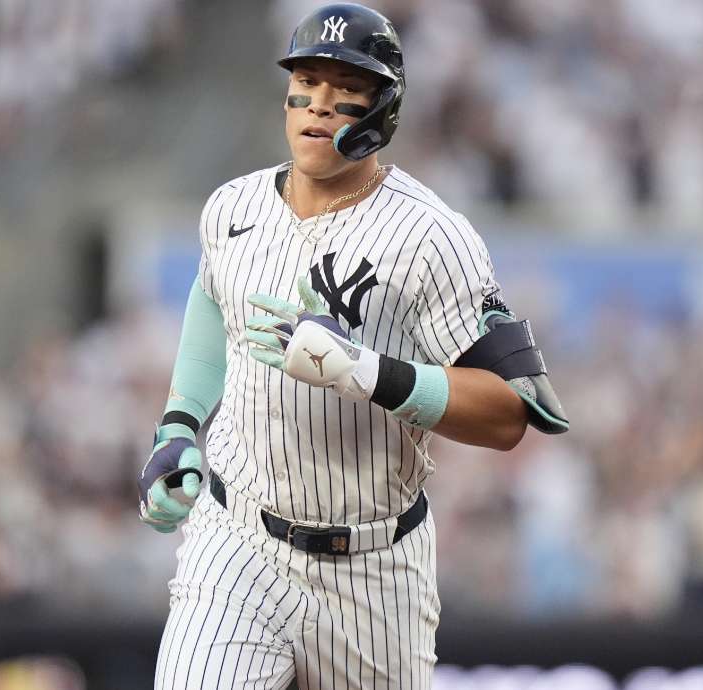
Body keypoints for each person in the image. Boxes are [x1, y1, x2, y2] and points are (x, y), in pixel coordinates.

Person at [136, 4, 568, 688]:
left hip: (372, 569)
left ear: (381, 112)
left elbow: (511, 412)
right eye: (306, 85)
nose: (318, 106)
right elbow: (213, 295)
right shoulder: (233, 208)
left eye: (345, 93)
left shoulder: (431, 237)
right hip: (238, 539)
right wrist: (180, 422)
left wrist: (365, 371)